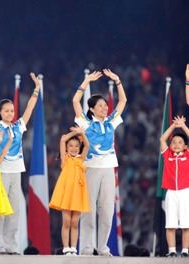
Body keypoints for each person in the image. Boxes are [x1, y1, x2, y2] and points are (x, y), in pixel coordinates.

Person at [0, 71, 40, 255]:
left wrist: (36, 89)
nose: (10, 113)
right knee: (0, 210)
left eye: (12, 111)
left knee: (14, 209)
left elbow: (29, 108)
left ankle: (12, 246)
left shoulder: (18, 126)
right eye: (6, 111)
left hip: (16, 171)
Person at [73, 69, 127, 256]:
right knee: (88, 210)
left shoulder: (111, 121)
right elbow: (75, 102)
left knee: (107, 210)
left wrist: (118, 80)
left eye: (105, 105)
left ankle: (103, 247)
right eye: (101, 106)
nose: (105, 108)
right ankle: (87, 248)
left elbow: (122, 101)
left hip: (108, 169)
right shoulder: (85, 123)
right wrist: (86, 80)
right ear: (92, 109)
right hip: (90, 169)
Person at [49, 127, 91, 256]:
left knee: (75, 222)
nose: (73, 148)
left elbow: (87, 145)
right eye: (71, 146)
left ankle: (73, 248)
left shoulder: (80, 160)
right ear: (67, 148)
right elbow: (62, 140)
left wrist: (82, 133)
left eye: (76, 146)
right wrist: (74, 133)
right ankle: (66, 247)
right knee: (66, 221)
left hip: (78, 193)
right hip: (67, 194)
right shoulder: (65, 159)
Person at [159, 116, 189, 257]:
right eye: (174, 142)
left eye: (180, 142)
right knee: (170, 223)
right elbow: (162, 139)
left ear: (185, 146)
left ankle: (185, 251)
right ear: (170, 146)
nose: (176, 144)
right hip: (171, 192)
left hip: (185, 192)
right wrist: (173, 126)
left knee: (186, 224)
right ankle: (171, 251)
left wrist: (182, 126)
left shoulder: (187, 155)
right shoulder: (168, 155)